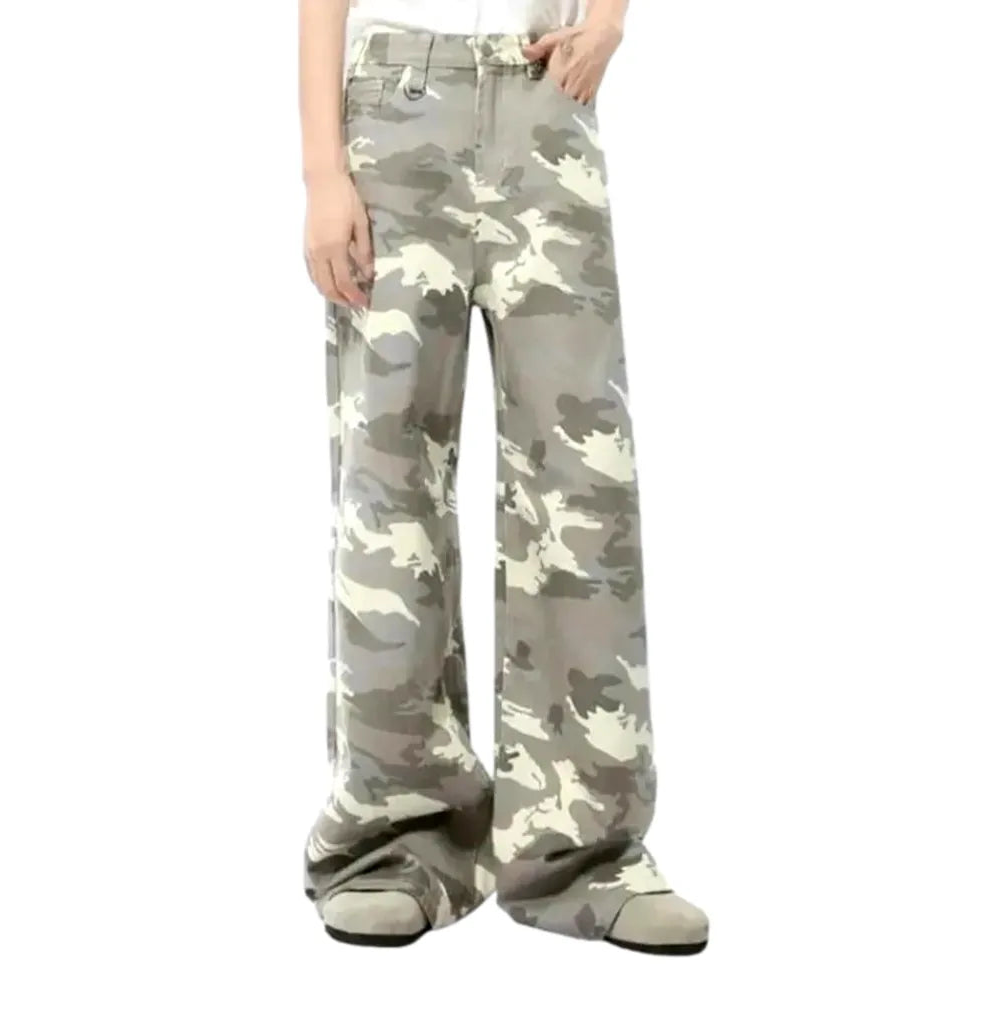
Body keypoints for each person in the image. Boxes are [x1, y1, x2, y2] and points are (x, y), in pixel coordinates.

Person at [299, 0, 708, 954]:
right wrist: (323, 171)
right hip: (395, 115)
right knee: (389, 488)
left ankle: (586, 851)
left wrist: (609, 20)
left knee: (581, 484)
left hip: (547, 101)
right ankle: (394, 841)